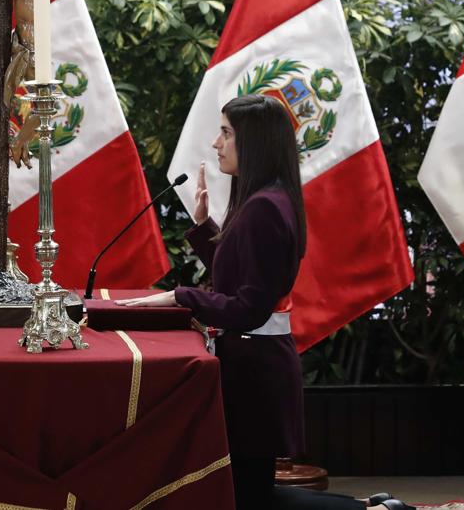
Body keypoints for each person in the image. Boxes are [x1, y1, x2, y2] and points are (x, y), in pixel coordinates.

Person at [118, 95, 412, 510]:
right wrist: (204, 229)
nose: (217, 144)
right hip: (253, 366)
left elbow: (248, 308)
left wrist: (180, 297)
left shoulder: (265, 209)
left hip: (255, 374)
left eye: (226, 133)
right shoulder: (264, 200)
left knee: (248, 498)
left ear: (253, 141)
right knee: (244, 493)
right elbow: (239, 277)